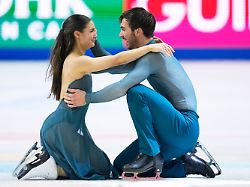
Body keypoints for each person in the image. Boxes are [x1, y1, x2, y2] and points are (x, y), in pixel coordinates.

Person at [13, 14, 174, 180]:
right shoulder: (78, 62)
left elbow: (112, 63)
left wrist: (95, 41)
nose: (95, 34)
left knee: (102, 167)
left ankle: (45, 162)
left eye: (95, 30)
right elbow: (116, 60)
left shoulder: (75, 60)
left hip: (65, 126)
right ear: (77, 34)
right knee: (102, 172)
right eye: (91, 30)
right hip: (64, 128)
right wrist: (149, 47)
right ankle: (41, 165)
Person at [64, 8, 218, 178]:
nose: (120, 34)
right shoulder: (148, 51)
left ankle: (150, 153)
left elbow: (122, 86)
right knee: (121, 167)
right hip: (170, 130)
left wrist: (87, 98)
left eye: (123, 29)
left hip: (183, 127)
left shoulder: (153, 56)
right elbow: (112, 67)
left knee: (136, 92)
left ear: (137, 31)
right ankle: (184, 165)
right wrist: (93, 42)